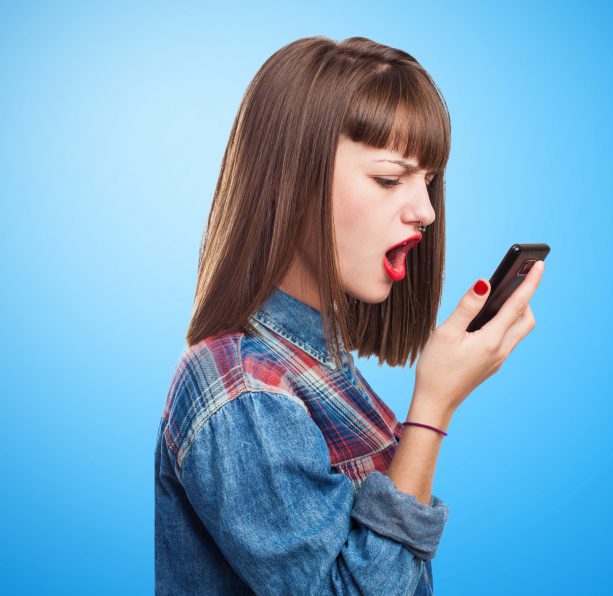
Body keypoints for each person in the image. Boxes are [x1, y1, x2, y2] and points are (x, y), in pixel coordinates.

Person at [154, 35, 545, 595]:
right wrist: (433, 406)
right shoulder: (243, 390)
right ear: (290, 179)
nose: (427, 211)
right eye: (389, 180)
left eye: (428, 181)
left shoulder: (318, 366)